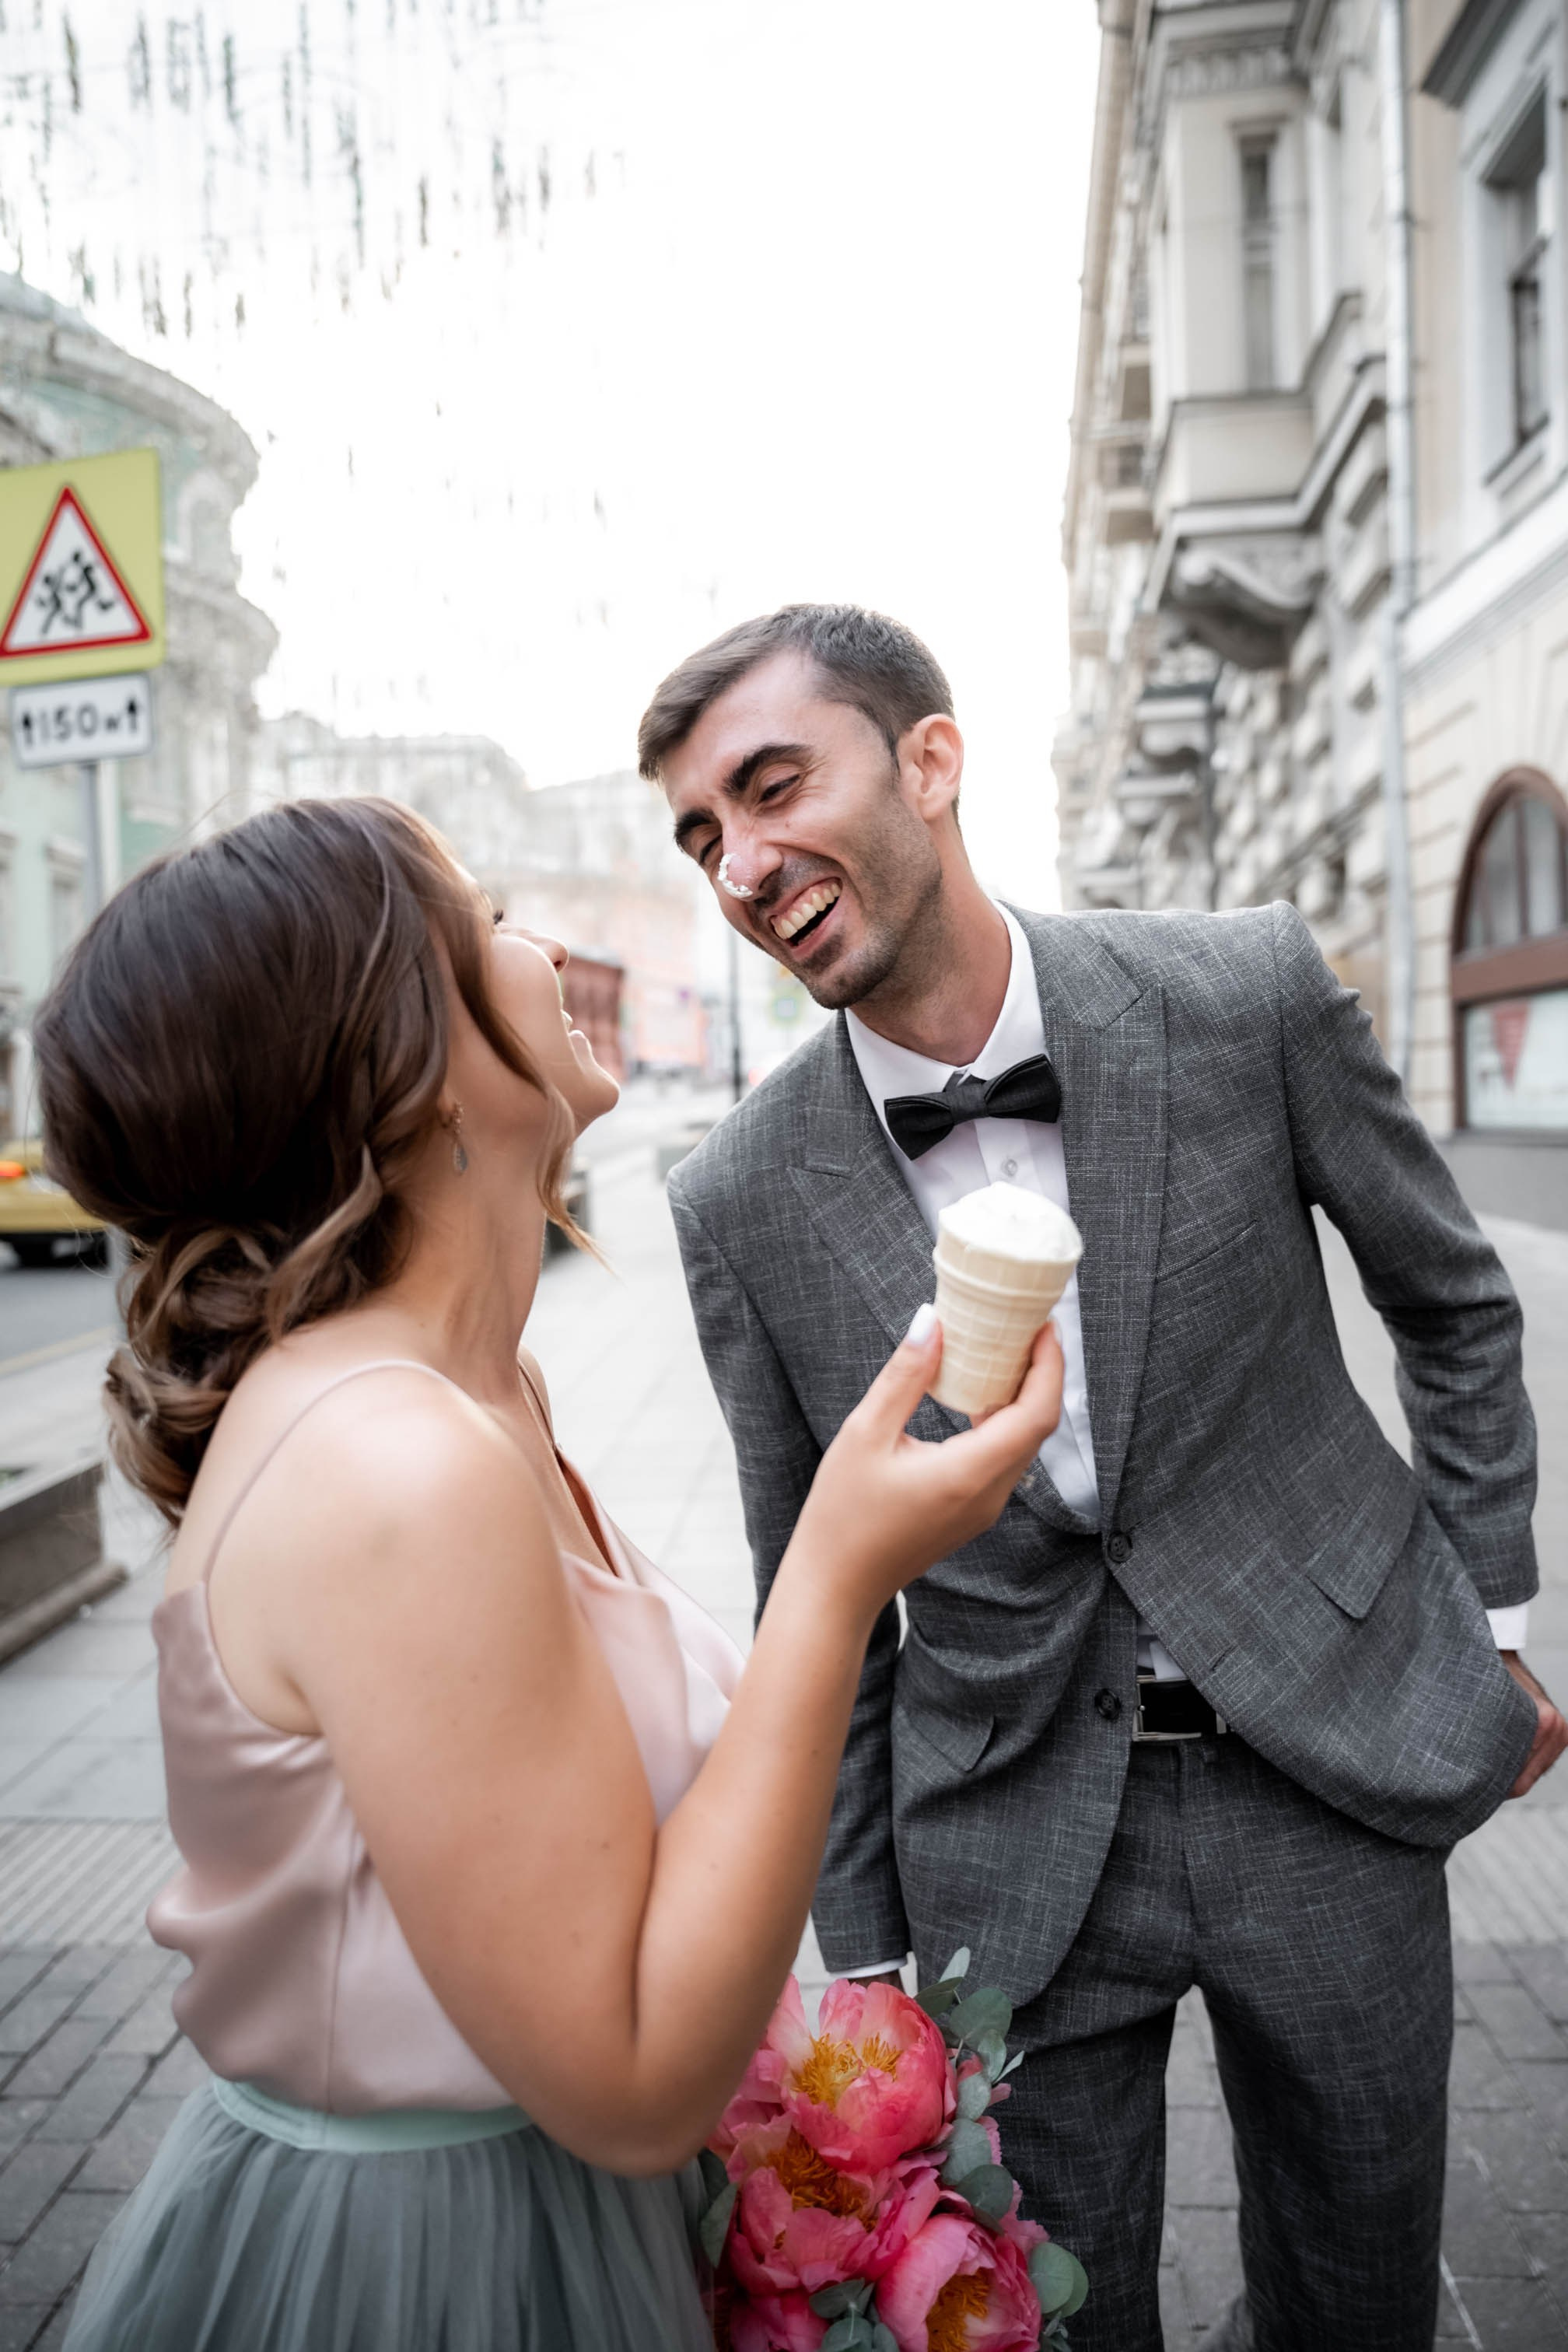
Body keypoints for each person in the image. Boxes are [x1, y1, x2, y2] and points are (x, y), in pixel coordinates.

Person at [643, 603, 1567, 2352]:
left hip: (1336, 1767)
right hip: (1007, 1838)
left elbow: (1449, 1299)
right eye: (704, 839)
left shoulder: (1244, 992)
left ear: (932, 758)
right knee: (1047, 2325)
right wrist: (867, 1958)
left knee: (1360, 2296)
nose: (744, 867)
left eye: (772, 788)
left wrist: (1491, 1623)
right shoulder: (737, 1197)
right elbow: (807, 1583)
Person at [33, 794, 1064, 2352]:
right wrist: (840, 1577)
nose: (546, 945)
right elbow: (635, 2077)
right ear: (399, 1066)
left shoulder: (479, 1400)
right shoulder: (402, 1467)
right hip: (418, 2267)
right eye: (486, 922)